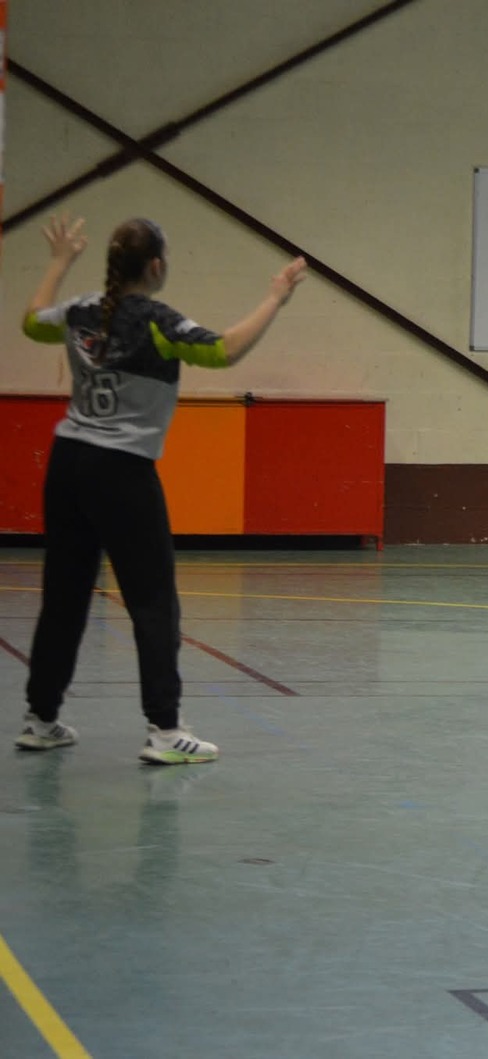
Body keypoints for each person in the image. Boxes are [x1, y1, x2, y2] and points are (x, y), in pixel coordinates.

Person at [13, 215, 307, 762]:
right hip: (122, 472)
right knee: (153, 603)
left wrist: (58, 263)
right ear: (155, 266)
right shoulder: (156, 321)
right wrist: (275, 298)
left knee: (64, 599)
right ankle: (166, 731)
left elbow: (32, 323)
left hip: (68, 464)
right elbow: (224, 350)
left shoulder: (79, 311)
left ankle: (41, 719)